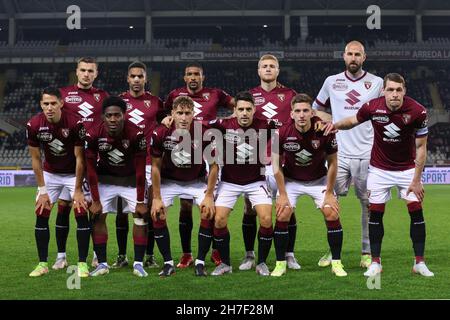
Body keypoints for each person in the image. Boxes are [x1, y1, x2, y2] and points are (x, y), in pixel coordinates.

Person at [323, 73, 434, 277]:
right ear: (383, 91)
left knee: (416, 211)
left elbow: (421, 147)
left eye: (398, 90)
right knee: (375, 212)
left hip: (407, 170)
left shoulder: (418, 111)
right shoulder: (372, 107)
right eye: (390, 90)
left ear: (404, 91)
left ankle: (419, 262)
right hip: (379, 170)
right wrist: (335, 125)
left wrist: (417, 180)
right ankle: (375, 262)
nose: (394, 94)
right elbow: (353, 120)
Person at [312, 41, 383, 269]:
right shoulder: (331, 82)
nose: (353, 58)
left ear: (364, 57)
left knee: (368, 205)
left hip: (368, 153)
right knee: (329, 203)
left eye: (357, 54)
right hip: (338, 154)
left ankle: (366, 251)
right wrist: (330, 124)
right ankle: (334, 251)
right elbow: (316, 108)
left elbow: (385, 111)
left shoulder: (377, 83)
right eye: (350, 54)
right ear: (343, 56)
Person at [164, 62, 234, 268]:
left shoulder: (215, 93)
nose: (193, 77)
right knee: (185, 208)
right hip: (184, 148)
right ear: (184, 77)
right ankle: (187, 253)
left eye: (197, 74)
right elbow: (162, 114)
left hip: (209, 148)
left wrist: (229, 119)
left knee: (210, 205)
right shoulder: (174, 95)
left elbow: (236, 104)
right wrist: (166, 118)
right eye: (189, 74)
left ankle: (215, 250)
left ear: (202, 77)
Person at [271, 93, 347, 277]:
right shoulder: (281, 133)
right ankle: (280, 263)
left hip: (318, 180)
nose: (302, 114)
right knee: (283, 213)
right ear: (291, 114)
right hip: (291, 180)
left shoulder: (324, 131)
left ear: (312, 113)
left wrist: (329, 192)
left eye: (306, 110)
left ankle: (336, 262)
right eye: (298, 111)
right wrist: (282, 193)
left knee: (331, 211)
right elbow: (275, 165)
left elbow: (333, 163)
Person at [240, 54, 299, 271]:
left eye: (271, 66)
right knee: (250, 209)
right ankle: (249, 255)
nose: (268, 69)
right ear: (258, 70)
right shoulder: (250, 97)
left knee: (287, 208)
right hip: (255, 162)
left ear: (278, 70)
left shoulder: (290, 95)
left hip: (284, 161)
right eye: (264, 66)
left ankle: (288, 254)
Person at [208, 91, 277, 276]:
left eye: (248, 109)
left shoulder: (265, 125)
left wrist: (319, 120)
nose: (244, 113)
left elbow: (290, 123)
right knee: (219, 220)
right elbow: (198, 124)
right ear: (234, 111)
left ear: (254, 110)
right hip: (229, 182)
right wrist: (169, 120)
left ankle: (261, 262)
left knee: (266, 218)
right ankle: (225, 264)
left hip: (256, 181)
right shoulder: (223, 125)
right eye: (241, 109)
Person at [150, 96, 219, 277]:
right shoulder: (161, 133)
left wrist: (209, 195)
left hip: (196, 181)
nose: (183, 117)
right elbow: (155, 167)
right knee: (157, 213)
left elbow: (214, 166)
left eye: (187, 113)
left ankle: (200, 262)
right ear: (172, 114)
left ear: (193, 115)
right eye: (179, 113)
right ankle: (167, 263)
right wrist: (156, 198)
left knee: (207, 211)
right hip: (169, 181)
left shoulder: (203, 132)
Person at [27, 87, 90, 277]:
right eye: (45, 104)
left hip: (73, 174)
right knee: (41, 211)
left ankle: (82, 264)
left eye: (53, 103)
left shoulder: (75, 123)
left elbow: (80, 158)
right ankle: (42, 264)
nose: (49, 107)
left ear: (61, 103)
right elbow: (36, 159)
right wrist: (42, 189)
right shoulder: (34, 125)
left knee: (80, 211)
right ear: (41, 105)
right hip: (51, 174)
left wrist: (78, 189)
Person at [54, 57, 109, 270]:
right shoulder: (64, 95)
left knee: (94, 209)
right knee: (63, 207)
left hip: (95, 161)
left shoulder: (103, 96)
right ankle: (61, 256)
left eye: (90, 71)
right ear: (76, 72)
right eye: (83, 70)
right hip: (69, 161)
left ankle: (97, 254)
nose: (86, 74)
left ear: (96, 74)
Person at [85, 96, 148, 277]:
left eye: (117, 115)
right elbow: (90, 170)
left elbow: (140, 170)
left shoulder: (136, 134)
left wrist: (140, 200)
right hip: (105, 181)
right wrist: (95, 200)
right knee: (97, 216)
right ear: (103, 116)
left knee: (141, 216)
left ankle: (138, 264)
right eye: (109, 115)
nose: (113, 119)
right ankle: (102, 264)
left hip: (130, 181)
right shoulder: (93, 134)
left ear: (124, 115)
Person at [116, 61, 165, 269]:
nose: (136, 80)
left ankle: (150, 255)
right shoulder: (118, 102)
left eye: (140, 76)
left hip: (148, 164)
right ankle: (121, 255)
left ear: (146, 79)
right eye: (133, 76)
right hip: (123, 165)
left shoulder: (156, 102)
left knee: (148, 211)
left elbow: (165, 125)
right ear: (127, 78)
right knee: (121, 211)